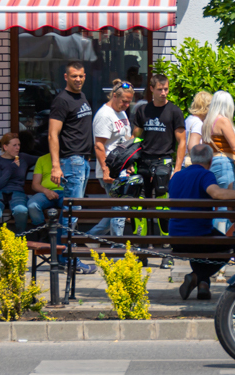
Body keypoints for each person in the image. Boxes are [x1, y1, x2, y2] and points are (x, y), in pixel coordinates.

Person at [166, 143, 235, 300]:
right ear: (210, 161)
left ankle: (203, 286)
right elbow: (216, 193)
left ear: (192, 159)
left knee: (203, 238)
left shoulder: (177, 177)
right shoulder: (205, 175)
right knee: (230, 246)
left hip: (176, 238)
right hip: (199, 237)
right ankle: (197, 277)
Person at [47, 61, 95, 249]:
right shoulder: (62, 100)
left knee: (72, 209)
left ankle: (63, 253)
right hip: (71, 161)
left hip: (82, 160)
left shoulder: (81, 96)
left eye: (81, 76)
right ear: (66, 77)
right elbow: (52, 134)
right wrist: (55, 166)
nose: (78, 79)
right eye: (74, 76)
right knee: (72, 210)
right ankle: (66, 255)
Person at [131, 73, 186, 207]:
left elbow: (182, 141)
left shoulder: (174, 111)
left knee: (162, 202)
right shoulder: (143, 110)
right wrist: (130, 161)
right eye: (160, 89)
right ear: (151, 89)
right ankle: (143, 222)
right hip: (143, 160)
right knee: (140, 202)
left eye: (166, 89)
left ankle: (163, 222)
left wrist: (177, 168)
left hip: (164, 160)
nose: (163, 93)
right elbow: (135, 137)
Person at [88, 80, 134, 239]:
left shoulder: (121, 112)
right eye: (124, 101)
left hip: (121, 167)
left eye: (129, 102)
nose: (126, 105)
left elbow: (126, 140)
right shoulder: (104, 115)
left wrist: (129, 163)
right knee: (120, 208)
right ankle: (117, 245)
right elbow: (99, 145)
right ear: (114, 96)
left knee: (119, 208)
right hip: (110, 169)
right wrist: (106, 170)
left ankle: (90, 238)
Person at [0, 132, 33, 232]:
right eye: (14, 145)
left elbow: (42, 158)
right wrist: (11, 168)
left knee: (21, 211)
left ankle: (20, 236)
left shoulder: (23, 158)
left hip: (17, 193)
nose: (18, 148)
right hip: (0, 194)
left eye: (19, 145)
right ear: (5, 147)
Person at [205, 90, 235, 187]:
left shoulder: (207, 122)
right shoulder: (223, 121)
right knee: (227, 195)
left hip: (211, 163)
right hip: (224, 164)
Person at [185, 91, 212, 155]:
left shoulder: (188, 119)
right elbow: (192, 147)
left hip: (184, 158)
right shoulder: (198, 124)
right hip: (193, 160)